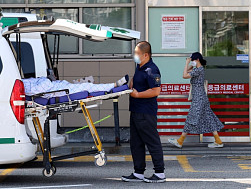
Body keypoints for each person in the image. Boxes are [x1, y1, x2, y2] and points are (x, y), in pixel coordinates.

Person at [121, 41, 165, 183]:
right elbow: (135, 81)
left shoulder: (151, 70)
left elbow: (156, 90)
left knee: (152, 142)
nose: (135, 56)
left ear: (146, 55)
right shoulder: (139, 67)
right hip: (135, 111)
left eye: (137, 53)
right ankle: (138, 172)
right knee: (136, 143)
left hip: (146, 112)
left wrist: (139, 95)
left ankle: (159, 173)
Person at [168, 52, 224, 149]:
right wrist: (190, 64)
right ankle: (218, 141)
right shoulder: (198, 69)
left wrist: (186, 63)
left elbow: (184, 75)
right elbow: (188, 71)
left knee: (191, 118)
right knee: (209, 118)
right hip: (202, 97)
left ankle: (180, 141)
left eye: (193, 60)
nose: (191, 62)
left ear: (197, 59)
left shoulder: (199, 70)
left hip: (198, 98)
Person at [23, 75, 129, 97]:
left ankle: (113, 85)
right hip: (57, 91)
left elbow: (40, 81)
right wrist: (47, 79)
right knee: (86, 87)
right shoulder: (22, 85)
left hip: (59, 86)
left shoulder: (22, 81)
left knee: (86, 84)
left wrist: (45, 79)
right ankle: (114, 85)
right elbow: (41, 88)